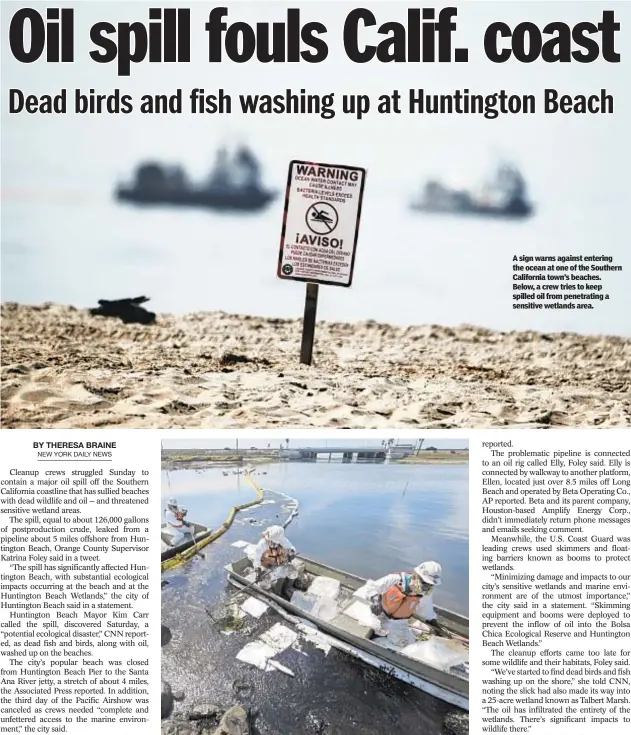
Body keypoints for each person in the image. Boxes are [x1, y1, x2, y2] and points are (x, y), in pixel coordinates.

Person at [366, 561, 446, 643]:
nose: (426, 588)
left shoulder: (425, 593)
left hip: (399, 623)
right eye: (424, 583)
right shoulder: (396, 579)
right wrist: (375, 600)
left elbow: (427, 613)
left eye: (430, 585)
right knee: (374, 630)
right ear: (416, 576)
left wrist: (438, 629)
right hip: (379, 615)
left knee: (405, 643)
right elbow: (372, 587)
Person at [253, 525, 297, 599]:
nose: (275, 544)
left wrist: (292, 553)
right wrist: (258, 571)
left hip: (281, 565)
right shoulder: (262, 544)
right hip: (267, 568)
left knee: (293, 573)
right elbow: (257, 560)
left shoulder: (283, 541)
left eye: (277, 543)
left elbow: (292, 548)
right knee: (264, 584)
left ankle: (286, 589)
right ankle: (271, 595)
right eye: (273, 542)